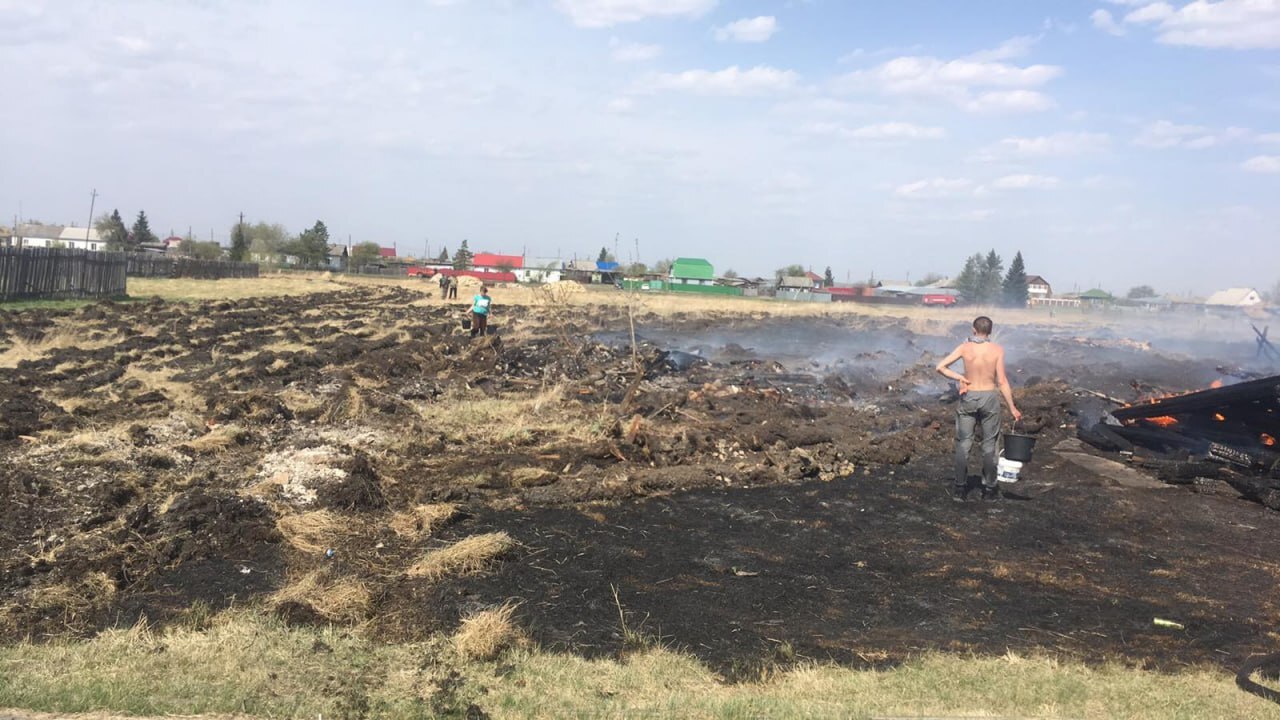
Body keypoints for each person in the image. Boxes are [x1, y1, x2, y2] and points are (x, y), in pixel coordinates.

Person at [935, 316, 1022, 502]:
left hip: (969, 396)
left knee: (963, 443)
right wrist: (1012, 407)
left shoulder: (964, 348)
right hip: (989, 397)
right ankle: (990, 490)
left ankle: (960, 488)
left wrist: (960, 377)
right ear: (990, 331)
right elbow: (1002, 381)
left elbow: (940, 367)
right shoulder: (997, 350)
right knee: (990, 445)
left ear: (974, 330)